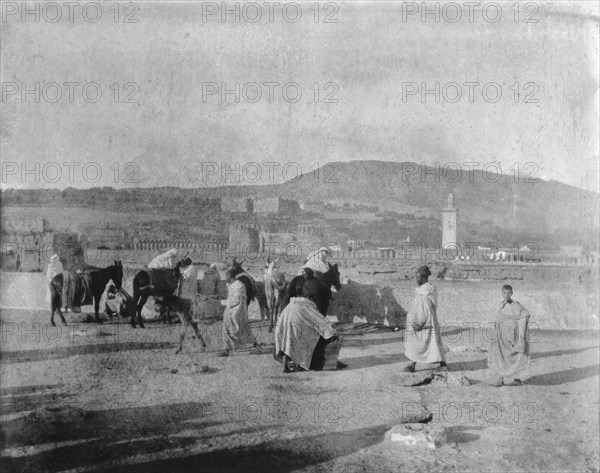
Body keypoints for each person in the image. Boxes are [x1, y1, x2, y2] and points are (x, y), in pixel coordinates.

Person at [274, 296, 339, 372]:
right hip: (295, 326)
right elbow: (318, 319)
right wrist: (330, 332)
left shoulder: (291, 304)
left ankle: (285, 367)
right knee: (302, 342)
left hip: (283, 325)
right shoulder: (306, 306)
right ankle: (299, 365)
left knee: (286, 345)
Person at [402, 265, 447, 373]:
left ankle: (413, 365)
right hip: (428, 321)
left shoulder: (424, 292)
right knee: (431, 342)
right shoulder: (429, 289)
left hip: (423, 321)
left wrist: (418, 322)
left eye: (417, 277)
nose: (416, 280)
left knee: (420, 342)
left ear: (422, 278)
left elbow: (424, 309)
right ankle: (441, 363)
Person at [487, 285, 532, 386]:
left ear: (512, 293)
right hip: (500, 336)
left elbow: (525, 315)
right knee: (500, 357)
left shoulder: (515, 305)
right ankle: (501, 378)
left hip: (511, 336)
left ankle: (515, 378)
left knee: (514, 356)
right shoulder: (501, 305)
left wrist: (520, 335)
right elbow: (499, 319)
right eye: (504, 293)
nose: (506, 295)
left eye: (509, 293)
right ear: (501, 292)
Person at [219, 269, 259, 357]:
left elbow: (236, 300)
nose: (226, 279)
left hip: (237, 311)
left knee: (230, 327)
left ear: (231, 277)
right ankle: (227, 347)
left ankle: (227, 349)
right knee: (243, 328)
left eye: (227, 278)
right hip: (235, 309)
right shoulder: (233, 284)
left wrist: (224, 302)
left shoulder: (239, 286)